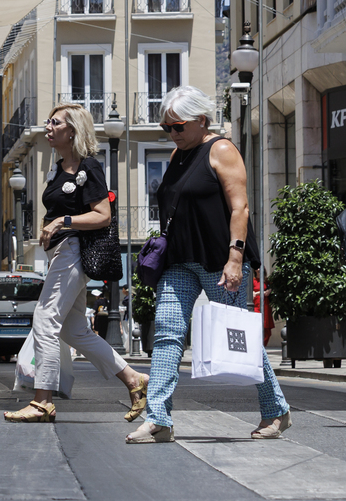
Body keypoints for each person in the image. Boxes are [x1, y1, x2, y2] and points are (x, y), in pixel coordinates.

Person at [128, 86, 291, 444]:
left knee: (241, 337)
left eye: (178, 126)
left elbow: (240, 208)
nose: (172, 133)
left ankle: (276, 409)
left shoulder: (220, 150)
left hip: (220, 261)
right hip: (179, 260)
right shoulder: (176, 156)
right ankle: (158, 419)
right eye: (166, 127)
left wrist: (235, 258)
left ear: (202, 120)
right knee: (167, 334)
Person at [4, 104, 148, 424]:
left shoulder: (90, 167)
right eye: (48, 121)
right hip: (59, 252)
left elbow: (102, 215)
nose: (48, 126)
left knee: (45, 318)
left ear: (72, 131)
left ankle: (43, 401)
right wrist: (49, 227)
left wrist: (61, 223)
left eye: (54, 122)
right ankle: (133, 380)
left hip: (73, 251)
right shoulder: (58, 168)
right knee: (74, 330)